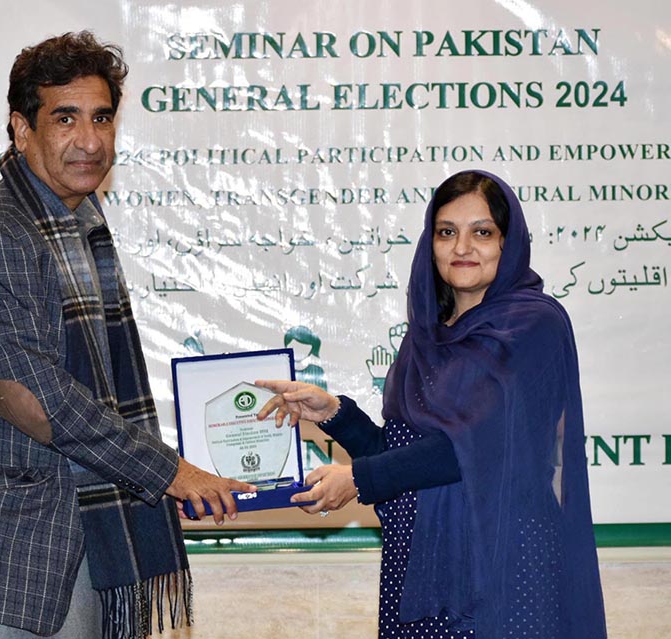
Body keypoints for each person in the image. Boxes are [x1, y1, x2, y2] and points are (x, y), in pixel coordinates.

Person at [0, 31, 253, 639]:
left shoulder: (78, 225)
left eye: (102, 118)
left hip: (63, 537)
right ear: (21, 128)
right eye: (65, 118)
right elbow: (34, 403)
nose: (89, 140)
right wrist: (173, 472)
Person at [257, 170, 607, 639]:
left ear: (509, 242)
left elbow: (472, 447)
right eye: (447, 232)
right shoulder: (426, 337)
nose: (462, 247)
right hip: (417, 565)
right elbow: (405, 453)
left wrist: (358, 480)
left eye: (482, 232)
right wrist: (335, 415)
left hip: (499, 570)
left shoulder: (532, 327)